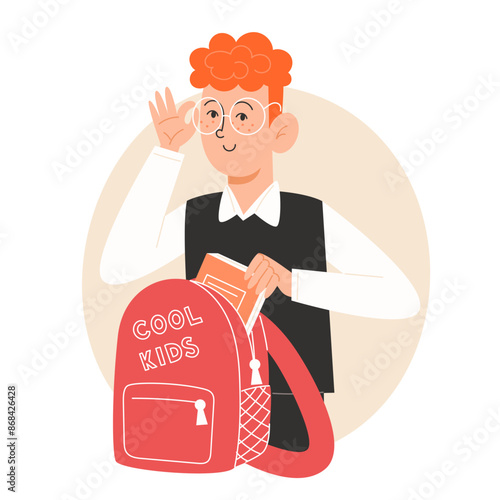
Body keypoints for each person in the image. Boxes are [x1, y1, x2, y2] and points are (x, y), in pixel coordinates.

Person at [101, 32, 420, 451]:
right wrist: (165, 155)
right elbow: (118, 268)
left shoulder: (313, 216)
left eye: (244, 116)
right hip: (209, 406)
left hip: (295, 407)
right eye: (212, 115)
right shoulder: (197, 214)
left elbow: (402, 297)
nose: (224, 133)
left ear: (280, 130)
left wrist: (296, 283)